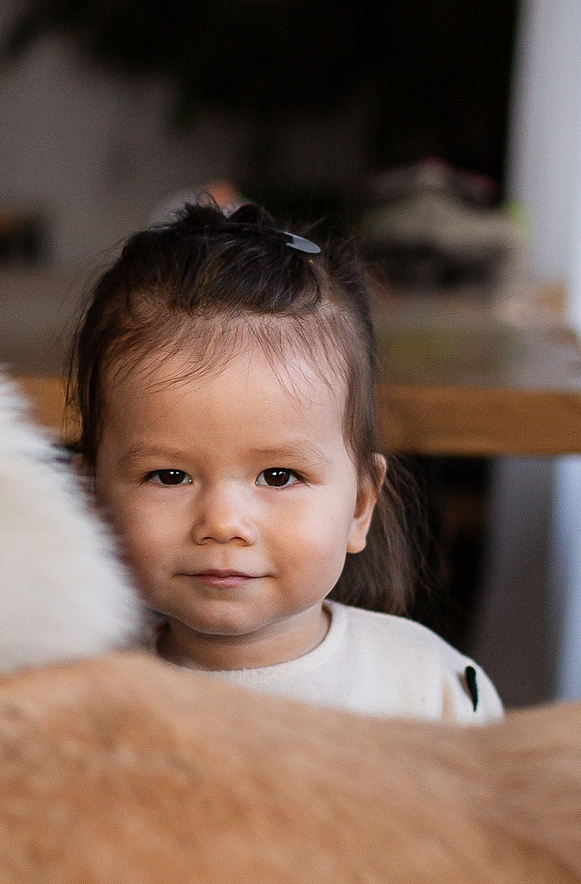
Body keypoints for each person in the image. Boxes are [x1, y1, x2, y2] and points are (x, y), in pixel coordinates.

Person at [71, 201, 503, 724]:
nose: (223, 523)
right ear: (91, 501)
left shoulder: (430, 693)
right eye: (169, 475)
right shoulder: (81, 700)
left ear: (360, 505)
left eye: (278, 476)